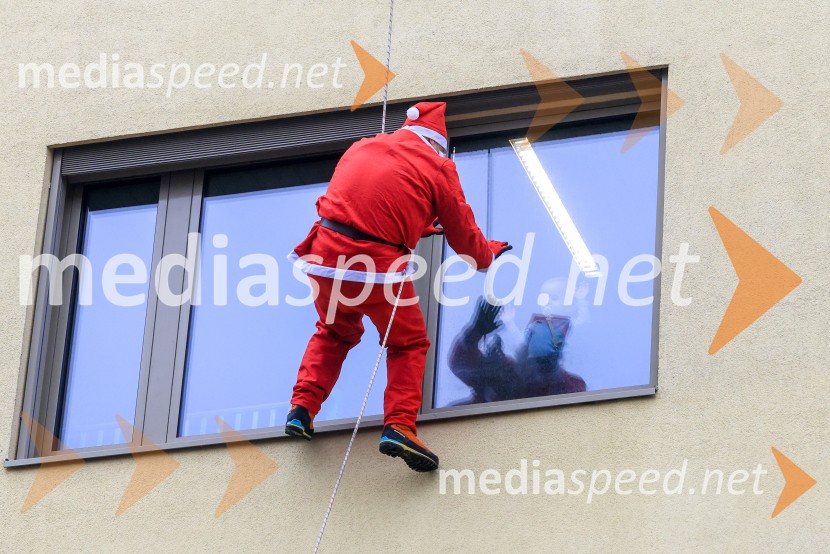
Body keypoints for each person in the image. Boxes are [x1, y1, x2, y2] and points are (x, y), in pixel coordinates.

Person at [284, 101, 511, 472]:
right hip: (375, 270)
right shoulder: (439, 166)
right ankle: (400, 425)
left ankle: (302, 408)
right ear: (438, 144)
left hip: (323, 257)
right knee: (408, 343)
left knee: (334, 333)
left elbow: (363, 205)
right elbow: (464, 237)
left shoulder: (362, 146)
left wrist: (417, 223)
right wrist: (488, 255)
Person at [448, 297, 586, 405]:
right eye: (533, 337)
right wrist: (474, 333)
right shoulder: (506, 371)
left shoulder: (568, 385)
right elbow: (462, 366)